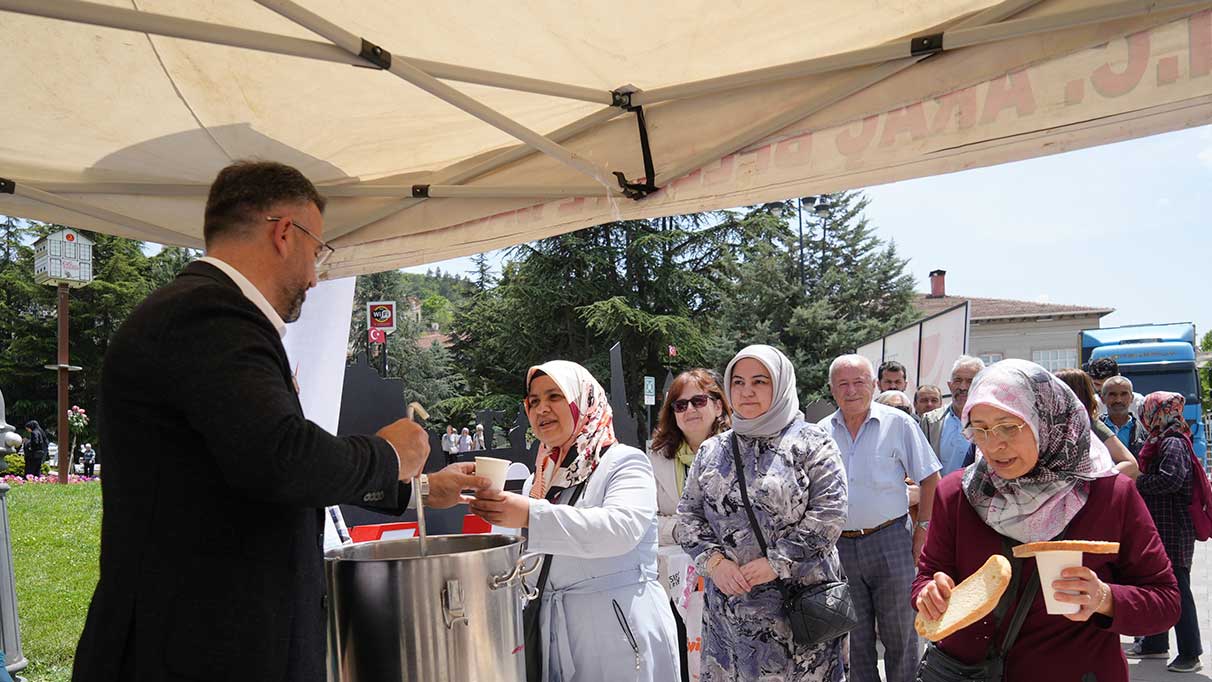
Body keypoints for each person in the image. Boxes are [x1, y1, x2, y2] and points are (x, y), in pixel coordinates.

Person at [71, 160, 491, 682]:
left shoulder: (204, 315)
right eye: (317, 252)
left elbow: (248, 466)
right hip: (196, 646)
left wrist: (419, 490)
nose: (316, 276)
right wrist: (388, 455)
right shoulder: (209, 316)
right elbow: (282, 458)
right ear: (285, 232)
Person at [913, 360, 1180, 682]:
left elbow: (1165, 602)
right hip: (965, 672)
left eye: (1009, 426)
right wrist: (929, 592)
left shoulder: (1109, 494)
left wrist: (1104, 598)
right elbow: (928, 573)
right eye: (980, 428)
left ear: (1049, 420)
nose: (993, 444)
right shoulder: (956, 493)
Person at [470, 360, 678, 682]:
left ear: (583, 401)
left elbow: (620, 530)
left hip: (620, 629)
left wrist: (528, 514)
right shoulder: (538, 480)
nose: (542, 409)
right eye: (534, 401)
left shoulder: (624, 462)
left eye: (554, 396)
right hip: (557, 631)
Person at [677, 345, 847, 681]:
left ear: (780, 384)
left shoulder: (812, 443)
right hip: (731, 613)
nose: (747, 391)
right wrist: (714, 563)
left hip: (799, 611)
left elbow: (830, 513)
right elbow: (688, 518)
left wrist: (777, 561)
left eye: (760, 381)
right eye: (738, 382)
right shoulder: (713, 450)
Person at [819, 354, 939, 682]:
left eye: (859, 382)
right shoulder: (819, 432)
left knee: (901, 634)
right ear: (832, 390)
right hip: (840, 546)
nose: (851, 390)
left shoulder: (898, 424)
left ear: (873, 385)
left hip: (891, 541)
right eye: (843, 384)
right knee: (855, 641)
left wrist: (923, 531)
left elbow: (930, 479)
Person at [647, 368, 731, 682]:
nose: (690, 410)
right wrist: (685, 530)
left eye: (698, 401)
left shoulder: (741, 450)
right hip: (675, 584)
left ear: (719, 405)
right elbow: (645, 522)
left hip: (730, 581)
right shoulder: (654, 459)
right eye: (680, 405)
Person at [1127, 391, 1203, 673]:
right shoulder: (1163, 438)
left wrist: (1138, 482)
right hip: (1163, 525)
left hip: (1173, 527)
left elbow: (1171, 480)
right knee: (1158, 585)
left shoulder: (1171, 442)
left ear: (1154, 412)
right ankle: (1156, 643)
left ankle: (1191, 652)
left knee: (1178, 588)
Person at [1053, 369, 1138, 479]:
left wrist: (1093, 481)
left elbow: (1130, 464)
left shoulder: (1092, 426)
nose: (1118, 400)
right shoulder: (1048, 425)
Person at [920, 356, 985, 476]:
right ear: (950, 385)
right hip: (939, 494)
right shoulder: (930, 422)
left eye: (970, 381)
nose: (963, 387)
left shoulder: (991, 422)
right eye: (958, 380)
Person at [1101, 376, 1146, 455]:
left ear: (1132, 398)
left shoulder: (1143, 432)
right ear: (1103, 399)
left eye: (1124, 394)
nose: (1118, 400)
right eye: (1112, 394)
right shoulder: (1093, 429)